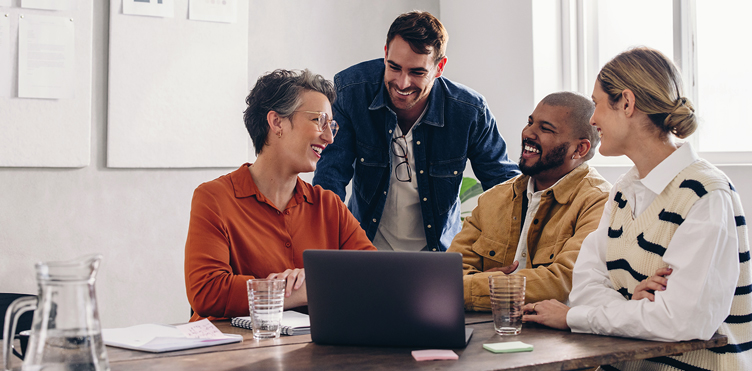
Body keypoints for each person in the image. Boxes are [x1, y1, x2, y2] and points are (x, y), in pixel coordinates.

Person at [523, 47, 752, 370]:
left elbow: (682, 322)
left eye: (598, 103)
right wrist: (634, 302)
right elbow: (586, 287)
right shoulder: (622, 193)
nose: (592, 119)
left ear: (627, 103)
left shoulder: (707, 195)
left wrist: (575, 317)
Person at [312, 11, 519, 252]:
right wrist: (326, 254)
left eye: (417, 72)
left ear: (439, 67)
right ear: (386, 53)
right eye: (394, 67)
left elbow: (505, 188)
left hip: (437, 256)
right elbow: (330, 179)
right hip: (365, 250)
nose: (402, 83)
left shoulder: (470, 111)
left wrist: (496, 256)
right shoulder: (351, 91)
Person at [185, 69, 376, 322]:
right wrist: (296, 292)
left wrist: (313, 282)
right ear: (277, 123)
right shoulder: (214, 198)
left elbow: (375, 278)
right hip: (232, 356)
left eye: (332, 126)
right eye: (319, 121)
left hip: (311, 354)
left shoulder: (329, 206)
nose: (329, 138)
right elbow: (207, 292)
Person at [447, 91, 611, 310]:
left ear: (579, 149)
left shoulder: (599, 202)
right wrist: (483, 286)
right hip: (489, 327)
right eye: (530, 122)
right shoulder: (493, 199)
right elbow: (450, 274)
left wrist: (489, 285)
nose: (528, 133)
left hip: (563, 338)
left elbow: (563, 281)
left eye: (545, 128)